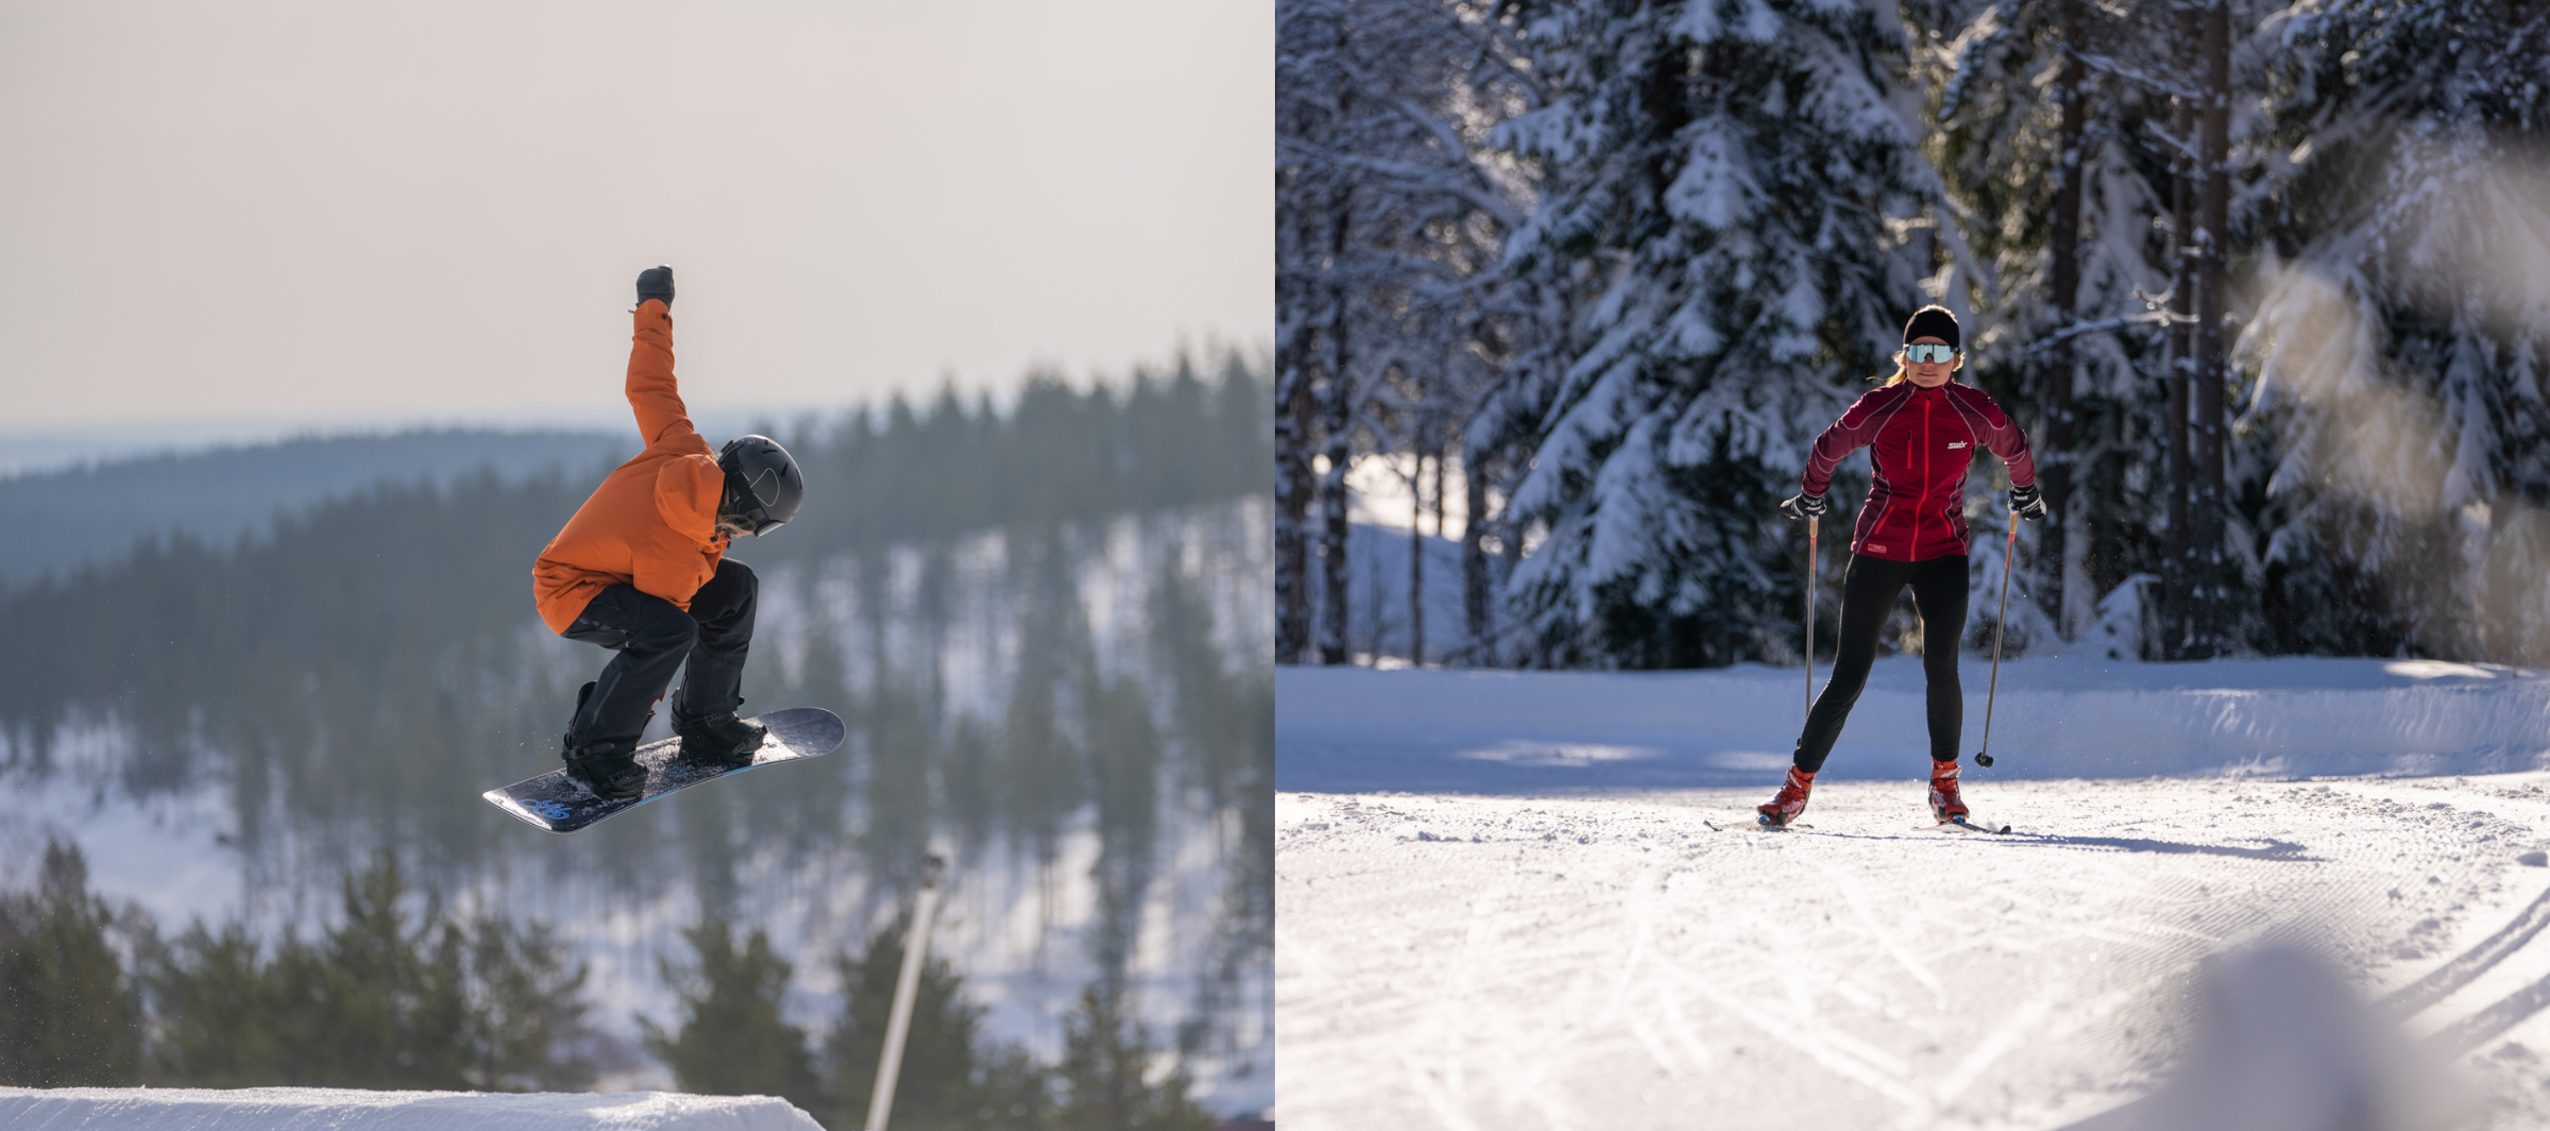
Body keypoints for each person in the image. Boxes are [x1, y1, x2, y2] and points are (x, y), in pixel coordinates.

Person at [1757, 305, 2043, 828]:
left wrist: (2024, 489)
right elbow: (1829, 446)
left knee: (1942, 668)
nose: (1927, 363)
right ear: (1904, 358)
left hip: (1944, 552)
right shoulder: (1882, 405)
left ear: (1956, 359)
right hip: (1879, 551)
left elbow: (2013, 444)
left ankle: (1945, 786)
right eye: (1917, 353)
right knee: (1849, 675)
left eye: (1938, 353)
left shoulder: (1972, 409)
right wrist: (1811, 494)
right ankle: (1794, 790)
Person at [531, 265, 807, 799]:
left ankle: (707, 717)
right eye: (757, 527)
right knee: (670, 632)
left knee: (736, 590)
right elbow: (658, 640)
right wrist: (639, 707)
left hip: (614, 575)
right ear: (746, 513)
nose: (748, 536)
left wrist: (654, 307)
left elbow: (651, 384)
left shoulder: (685, 447)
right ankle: (595, 749)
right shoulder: (676, 552)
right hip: (570, 591)